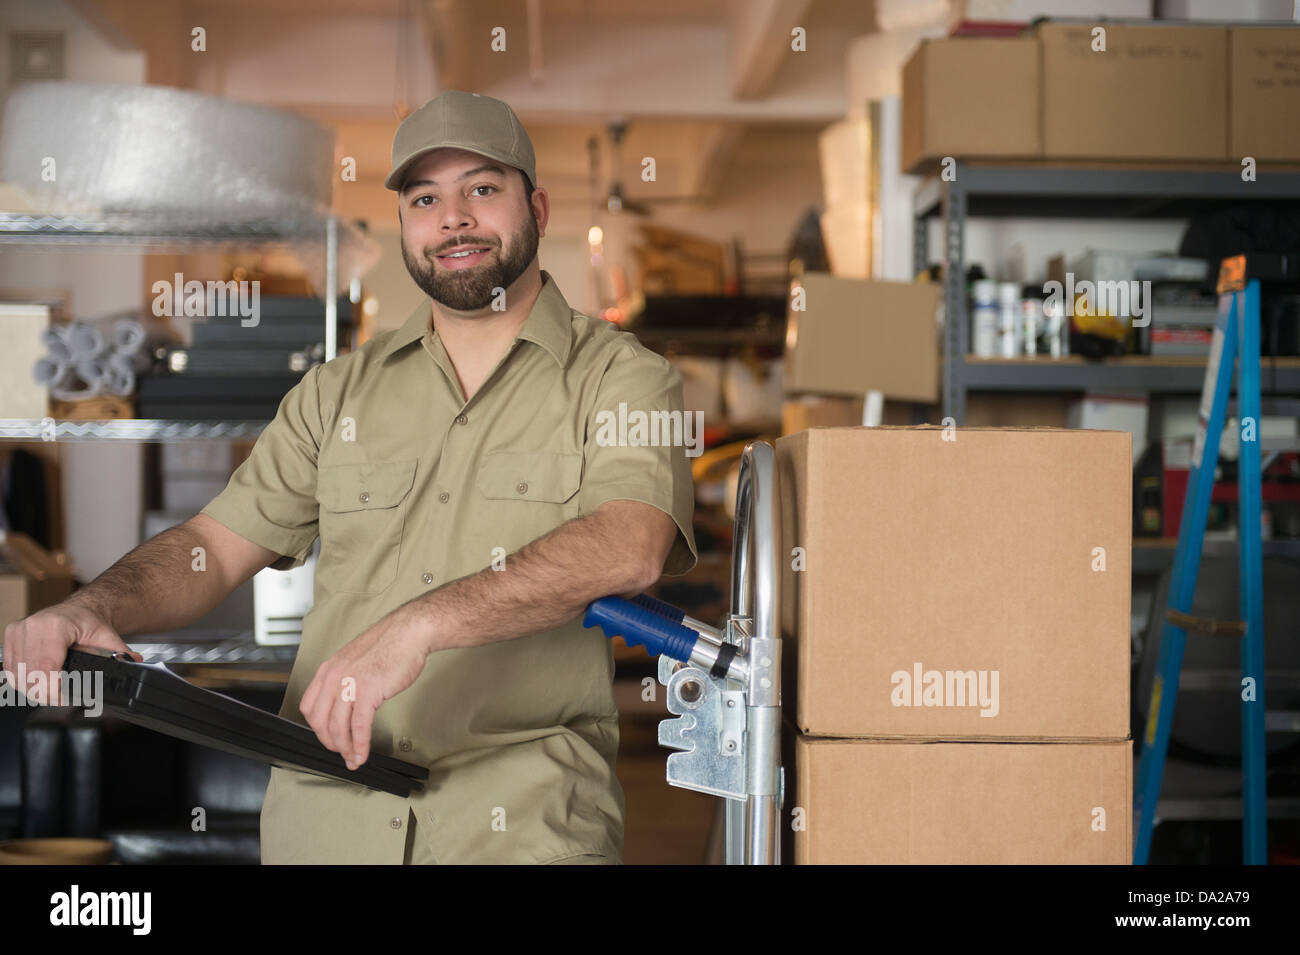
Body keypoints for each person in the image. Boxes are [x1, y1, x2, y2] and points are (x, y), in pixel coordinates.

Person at [3, 90, 698, 865]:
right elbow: (212, 547)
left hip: (520, 826)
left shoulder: (623, 381)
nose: (454, 217)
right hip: (327, 826)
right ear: (403, 222)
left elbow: (630, 543)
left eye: (481, 188)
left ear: (534, 205)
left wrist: (418, 624)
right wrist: (89, 607)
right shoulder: (336, 394)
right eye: (425, 197)